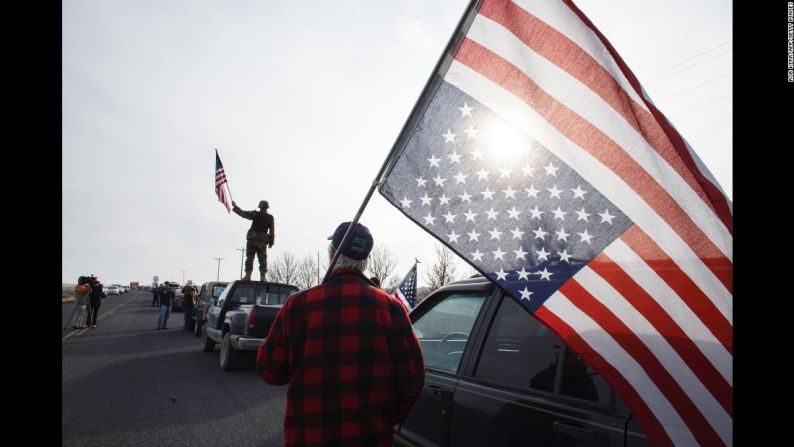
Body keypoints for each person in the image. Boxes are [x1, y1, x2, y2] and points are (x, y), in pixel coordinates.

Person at [256, 221, 425, 446]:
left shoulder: (297, 305)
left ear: (332, 253)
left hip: (309, 438)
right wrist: (385, 419)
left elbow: (269, 371)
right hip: (371, 439)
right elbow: (413, 379)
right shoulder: (392, 309)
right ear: (366, 261)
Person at [231, 199, 275, 281]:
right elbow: (272, 231)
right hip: (262, 241)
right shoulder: (270, 217)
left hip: (252, 240)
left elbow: (244, 214)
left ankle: (248, 275)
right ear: (267, 207)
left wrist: (235, 207)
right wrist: (271, 242)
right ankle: (262, 277)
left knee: (250, 258)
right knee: (262, 260)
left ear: (260, 206)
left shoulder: (256, 214)